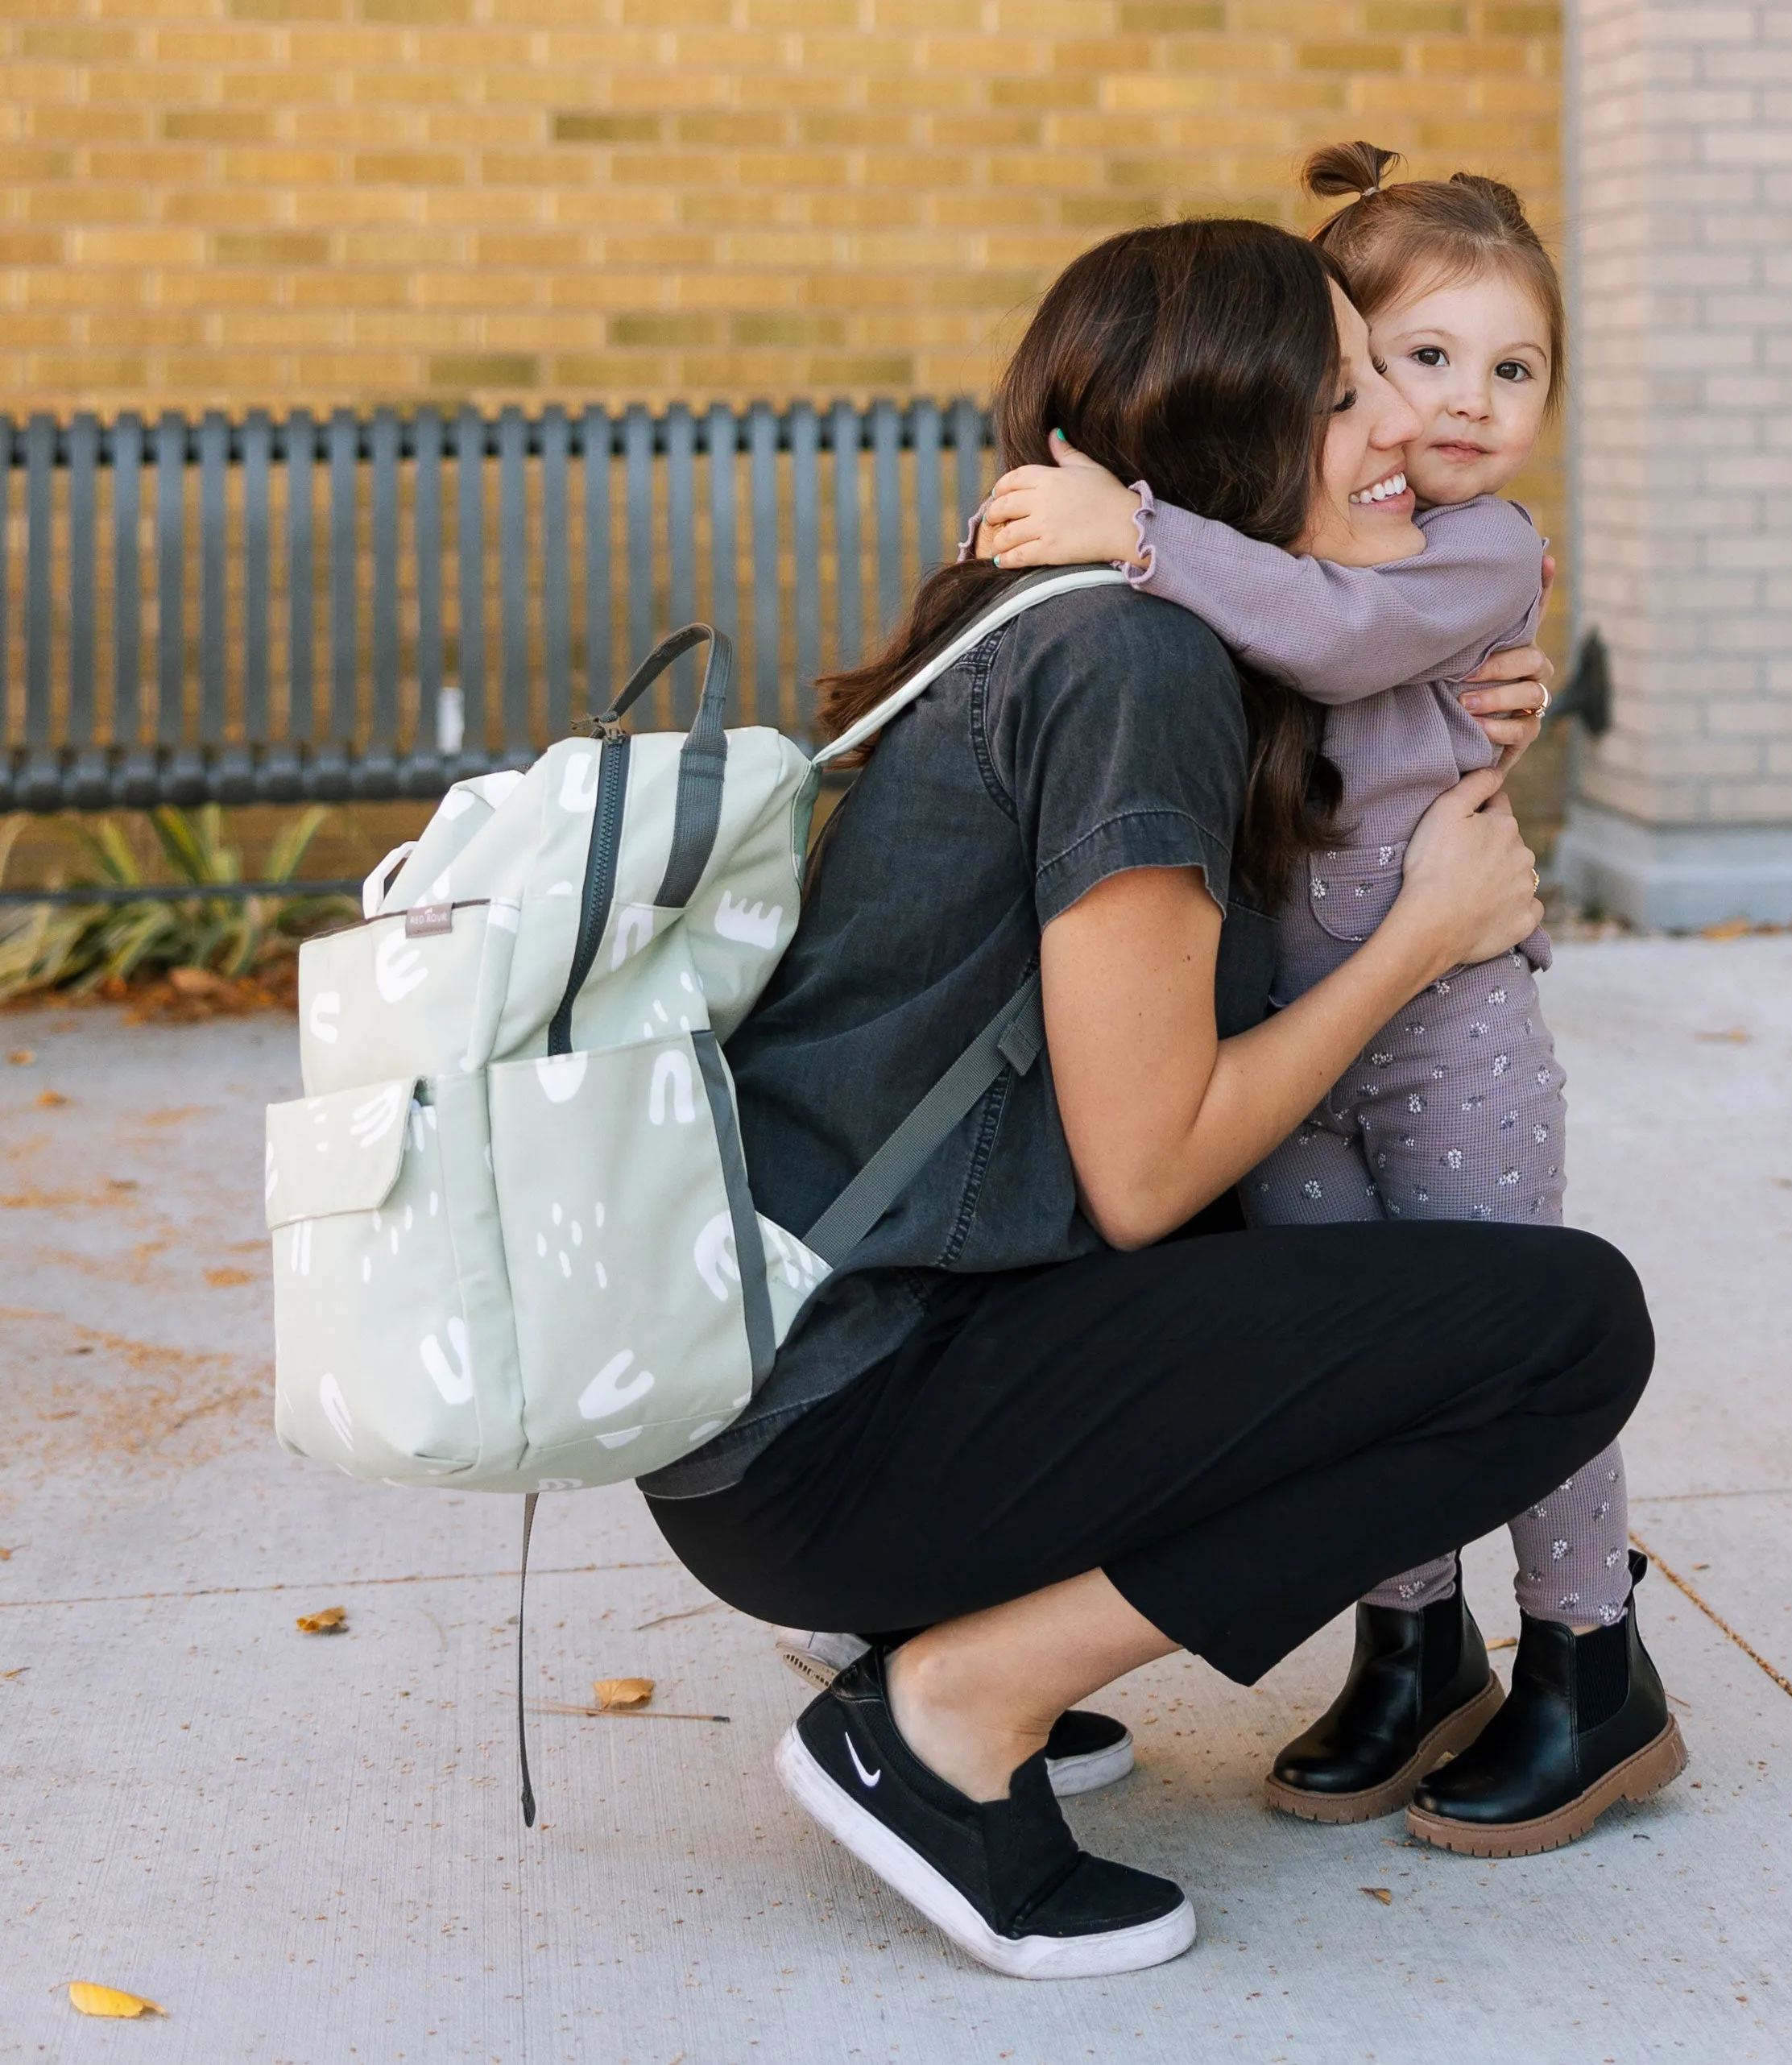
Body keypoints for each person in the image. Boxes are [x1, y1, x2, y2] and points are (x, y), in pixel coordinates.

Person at [639, 217, 1653, 1980]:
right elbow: (1147, 1166)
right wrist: (1422, 940)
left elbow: (1352, 660)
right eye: (1346, 396)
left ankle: (945, 1612)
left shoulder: (1096, 629)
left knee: (1330, 1250)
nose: (1398, 434)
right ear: (1236, 440)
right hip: (837, 1433)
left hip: (793, 1401)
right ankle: (952, 1704)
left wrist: (1468, 683)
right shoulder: (1135, 672)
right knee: (1565, 1327)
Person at [974, 141, 1686, 1858]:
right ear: (1335, 370)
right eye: (1417, 359)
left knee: (1515, 1330)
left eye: (1513, 369)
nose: (1463, 404)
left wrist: (1136, 530)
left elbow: (1334, 637)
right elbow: (1250, 636)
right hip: (1288, 1046)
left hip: (1448, 1031)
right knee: (1361, 1348)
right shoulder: (1283, 537)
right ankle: (1411, 1641)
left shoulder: (1478, 555)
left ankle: (1589, 1656)